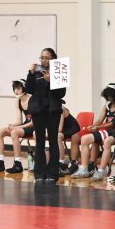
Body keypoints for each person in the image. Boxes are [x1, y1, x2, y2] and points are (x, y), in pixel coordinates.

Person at [26, 48, 66, 184]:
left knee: (53, 141)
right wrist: (30, 74)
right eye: (42, 57)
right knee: (39, 141)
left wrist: (51, 81)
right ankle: (39, 173)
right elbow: (29, 90)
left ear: (53, 58)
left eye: (47, 57)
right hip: (38, 110)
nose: (43, 60)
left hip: (52, 110)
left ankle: (53, 173)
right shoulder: (36, 71)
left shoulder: (59, 70)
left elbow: (61, 93)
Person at [70, 83, 115, 178]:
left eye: (111, 96)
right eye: (107, 96)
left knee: (94, 141)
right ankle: (81, 166)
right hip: (102, 129)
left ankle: (92, 165)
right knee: (78, 137)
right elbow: (100, 120)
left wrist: (97, 128)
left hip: (113, 131)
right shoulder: (107, 105)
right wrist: (93, 126)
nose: (109, 98)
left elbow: (114, 123)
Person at [0, 79, 34, 174]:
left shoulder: (32, 99)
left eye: (18, 88)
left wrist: (15, 128)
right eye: (14, 89)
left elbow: (33, 122)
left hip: (34, 126)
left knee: (14, 132)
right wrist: (11, 125)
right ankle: (0, 163)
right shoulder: (18, 100)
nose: (16, 91)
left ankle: (18, 164)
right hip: (25, 125)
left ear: (24, 88)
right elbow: (19, 121)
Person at [57, 106, 80, 175]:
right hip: (64, 129)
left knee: (57, 136)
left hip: (72, 128)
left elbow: (60, 129)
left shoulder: (60, 108)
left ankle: (61, 163)